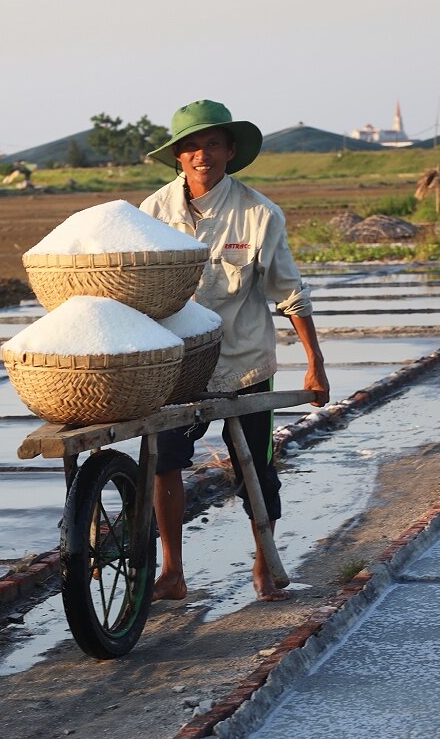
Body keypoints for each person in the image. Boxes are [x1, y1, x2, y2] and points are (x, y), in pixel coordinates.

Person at [139, 100, 330, 603]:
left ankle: (265, 561)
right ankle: (173, 572)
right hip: (177, 365)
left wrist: (316, 364)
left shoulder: (258, 213)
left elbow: (289, 292)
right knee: (165, 463)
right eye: (192, 147)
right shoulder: (153, 212)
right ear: (178, 157)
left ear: (230, 151)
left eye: (213, 145)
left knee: (257, 469)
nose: (203, 155)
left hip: (244, 362)